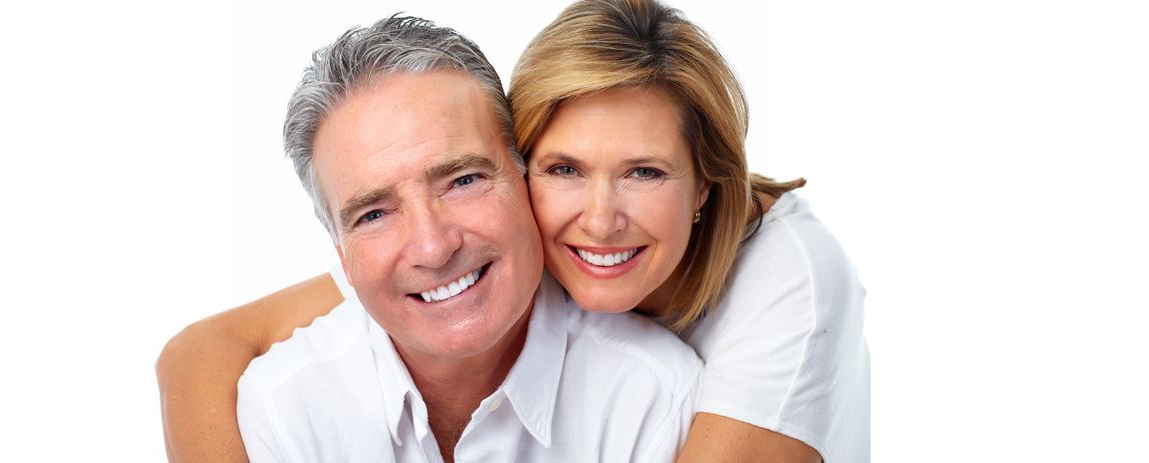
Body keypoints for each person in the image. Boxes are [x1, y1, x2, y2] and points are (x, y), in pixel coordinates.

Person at [158, 0, 869, 461]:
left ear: (705, 186)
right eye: (564, 167)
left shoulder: (785, 293)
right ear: (525, 168)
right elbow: (198, 349)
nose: (598, 218)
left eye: (646, 172)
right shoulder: (437, 242)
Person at [232, 14, 702, 463]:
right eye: (373, 214)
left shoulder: (656, 397)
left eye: (463, 181)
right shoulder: (283, 410)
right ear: (342, 254)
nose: (434, 248)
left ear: (526, 178)